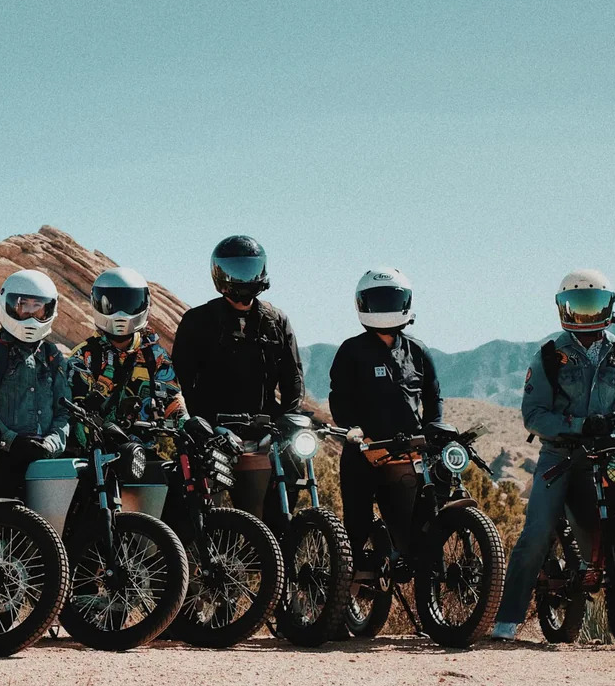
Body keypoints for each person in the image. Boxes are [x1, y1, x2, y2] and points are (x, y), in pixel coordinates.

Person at [492, 270, 615, 640]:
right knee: (538, 530)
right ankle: (508, 620)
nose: (585, 315)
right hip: (561, 454)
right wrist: (579, 425)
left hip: (610, 452)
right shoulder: (549, 355)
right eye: (577, 306)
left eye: (593, 305)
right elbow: (534, 415)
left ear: (609, 306)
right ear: (563, 308)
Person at [327, 268, 443, 550]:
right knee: (356, 527)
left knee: (425, 528)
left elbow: (434, 397)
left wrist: (432, 432)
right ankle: (349, 586)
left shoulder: (418, 350)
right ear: (363, 303)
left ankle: (428, 586)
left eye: (391, 299)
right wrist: (357, 434)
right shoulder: (351, 350)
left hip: (409, 453)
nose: (385, 307)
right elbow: (338, 399)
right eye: (377, 300)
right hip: (365, 451)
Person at [171, 235, 305, 423]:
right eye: (236, 270)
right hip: (211, 431)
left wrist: (290, 421)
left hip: (266, 428)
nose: (244, 278)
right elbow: (181, 377)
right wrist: (194, 423)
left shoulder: (277, 321)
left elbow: (293, 378)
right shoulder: (197, 321)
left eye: (250, 269)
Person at [0, 269, 70, 499]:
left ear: (50, 310)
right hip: (3, 461)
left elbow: (65, 411)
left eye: (39, 308)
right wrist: (13, 442)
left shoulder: (52, 354)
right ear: (10, 305)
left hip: (45, 463)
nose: (32, 316)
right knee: (5, 525)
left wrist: (51, 444)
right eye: (25, 307)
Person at [68, 267, 186, 449]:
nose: (120, 314)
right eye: (113, 304)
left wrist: (189, 428)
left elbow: (175, 406)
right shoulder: (84, 356)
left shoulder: (155, 356)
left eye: (129, 303)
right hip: (100, 458)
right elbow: (73, 416)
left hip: (150, 457)